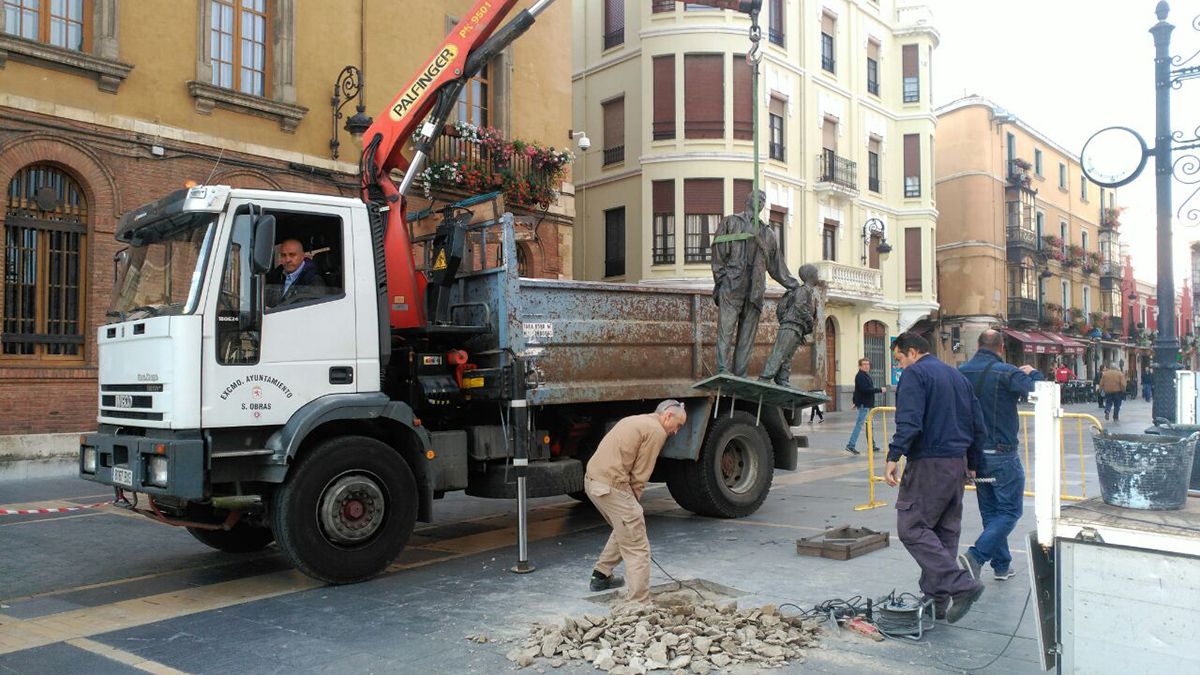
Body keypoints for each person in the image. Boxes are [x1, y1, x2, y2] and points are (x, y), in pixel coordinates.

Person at [884, 332, 986, 624]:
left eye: (900, 359)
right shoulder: (958, 378)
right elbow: (978, 424)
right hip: (957, 464)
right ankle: (935, 602)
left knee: (912, 527)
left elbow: (910, 421)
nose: (900, 365)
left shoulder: (915, 375)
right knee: (944, 533)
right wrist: (974, 463)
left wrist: (894, 456)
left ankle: (962, 586)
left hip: (929, 463)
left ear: (913, 352)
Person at [956, 330, 1042, 582]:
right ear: (1001, 348)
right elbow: (1041, 391)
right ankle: (976, 555)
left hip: (973, 456)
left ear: (978, 345)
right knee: (1010, 511)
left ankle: (1002, 565)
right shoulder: (1006, 371)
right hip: (1001, 453)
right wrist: (1032, 372)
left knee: (992, 513)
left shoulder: (961, 372)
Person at [585, 400, 688, 603]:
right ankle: (639, 603)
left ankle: (601, 575)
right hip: (611, 485)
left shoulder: (637, 420)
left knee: (625, 527)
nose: (677, 431)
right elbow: (639, 477)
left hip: (593, 481)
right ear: (667, 416)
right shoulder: (656, 432)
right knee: (637, 544)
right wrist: (634, 506)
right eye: (678, 425)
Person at [711, 190, 798, 376]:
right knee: (725, 331)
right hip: (732, 286)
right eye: (757, 197)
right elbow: (718, 254)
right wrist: (721, 282)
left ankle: (740, 373)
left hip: (755, 291)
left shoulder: (767, 233)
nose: (761, 200)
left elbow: (777, 267)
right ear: (747, 199)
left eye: (764, 199)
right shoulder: (731, 222)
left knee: (747, 337)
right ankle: (723, 370)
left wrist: (794, 285)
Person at [759, 264, 820, 386]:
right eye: (817, 274)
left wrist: (803, 329)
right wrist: (809, 321)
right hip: (791, 325)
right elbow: (799, 306)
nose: (818, 276)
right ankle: (765, 378)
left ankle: (782, 379)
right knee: (779, 352)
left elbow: (782, 310)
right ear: (811, 276)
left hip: (797, 328)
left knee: (787, 356)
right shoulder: (803, 290)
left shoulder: (808, 292)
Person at [265, 238, 326, 307]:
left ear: (302, 256)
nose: (287, 260)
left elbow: (305, 310)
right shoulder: (276, 275)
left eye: (292, 255)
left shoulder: (314, 280)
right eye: (283, 255)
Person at [845, 358, 886, 455]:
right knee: (860, 425)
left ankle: (872, 445)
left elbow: (857, 390)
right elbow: (865, 389)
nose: (867, 366)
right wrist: (879, 390)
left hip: (867, 404)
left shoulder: (865, 375)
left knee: (869, 425)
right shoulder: (860, 376)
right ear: (860, 366)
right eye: (864, 364)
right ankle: (850, 445)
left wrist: (855, 401)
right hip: (864, 405)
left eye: (868, 364)